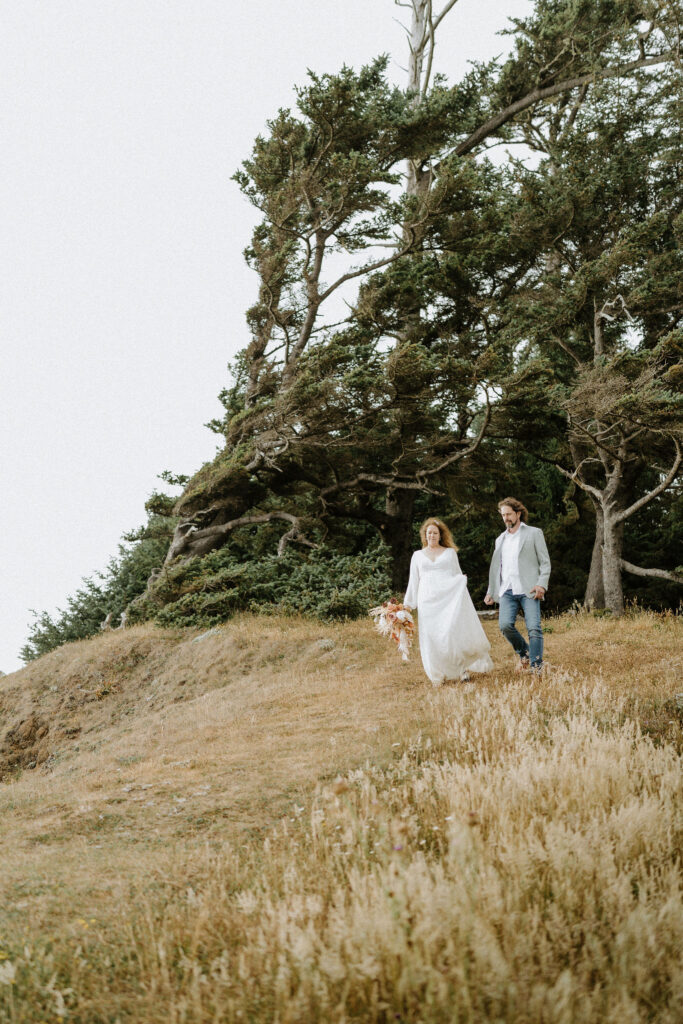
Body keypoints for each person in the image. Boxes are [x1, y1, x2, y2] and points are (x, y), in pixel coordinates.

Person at [404, 517, 493, 685]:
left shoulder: (450, 553)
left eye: (435, 533)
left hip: (448, 599)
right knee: (431, 636)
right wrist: (408, 605)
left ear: (440, 535)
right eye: (429, 533)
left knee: (451, 633)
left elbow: (457, 574)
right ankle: (437, 673)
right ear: (425, 535)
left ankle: (461, 669)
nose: (432, 536)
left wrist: (460, 586)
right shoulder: (417, 556)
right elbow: (413, 581)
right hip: (427, 601)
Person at [484, 497, 551, 672]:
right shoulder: (500, 539)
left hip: (529, 588)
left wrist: (541, 585)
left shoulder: (534, 533)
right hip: (507, 590)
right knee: (505, 626)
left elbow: (545, 562)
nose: (506, 518)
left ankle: (536, 667)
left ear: (518, 514)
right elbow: (496, 568)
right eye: (503, 515)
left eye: (509, 514)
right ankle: (525, 653)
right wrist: (491, 591)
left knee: (534, 628)